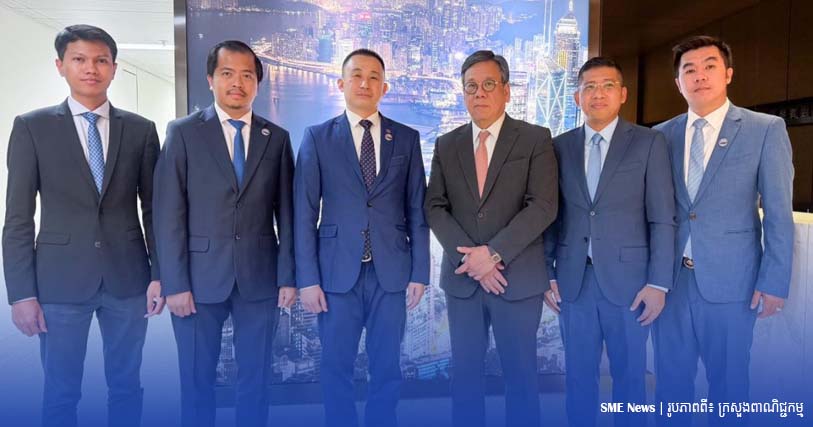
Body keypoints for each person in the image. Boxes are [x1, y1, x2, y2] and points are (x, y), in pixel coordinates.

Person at [2, 24, 162, 427]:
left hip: (127, 278)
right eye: (79, 59)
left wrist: (160, 274)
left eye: (101, 60)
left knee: (127, 386)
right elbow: (18, 218)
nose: (91, 68)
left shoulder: (141, 130)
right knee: (61, 392)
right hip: (59, 282)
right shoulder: (32, 127)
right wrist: (21, 294)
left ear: (114, 68)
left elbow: (154, 211)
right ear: (61, 66)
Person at [652, 35, 794, 426]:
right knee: (670, 385)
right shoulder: (660, 136)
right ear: (678, 83)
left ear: (728, 74)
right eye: (689, 70)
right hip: (671, 283)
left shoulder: (764, 129)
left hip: (733, 285)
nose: (700, 76)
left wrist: (775, 280)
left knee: (729, 387)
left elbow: (778, 213)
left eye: (710, 66)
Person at [152, 40, 296, 427]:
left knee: (256, 381)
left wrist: (288, 277)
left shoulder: (276, 138)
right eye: (227, 73)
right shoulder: (183, 132)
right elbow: (168, 213)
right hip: (197, 280)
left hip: (260, 278)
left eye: (247, 75)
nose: (237, 83)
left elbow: (287, 214)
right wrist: (174, 283)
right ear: (210, 79)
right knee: (196, 381)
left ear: (257, 84)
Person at [294, 48, 429, 427]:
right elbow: (304, 213)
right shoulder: (318, 137)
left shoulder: (406, 139)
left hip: (391, 272)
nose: (365, 83)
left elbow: (417, 209)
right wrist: (307, 279)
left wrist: (420, 272)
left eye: (374, 77)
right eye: (357, 75)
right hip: (335, 273)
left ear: (384, 87)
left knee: (387, 367)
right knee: (335, 367)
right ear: (341, 83)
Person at [424, 50, 558, 427]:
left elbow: (543, 206)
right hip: (464, 280)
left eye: (488, 84)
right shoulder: (446, 144)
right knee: (465, 378)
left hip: (517, 279)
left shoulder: (535, 139)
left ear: (506, 90)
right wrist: (472, 260)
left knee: (521, 378)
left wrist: (494, 254)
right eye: (471, 86)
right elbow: (434, 206)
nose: (479, 93)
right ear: (463, 93)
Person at [543, 57, 675, 427]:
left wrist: (659, 282)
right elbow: (550, 215)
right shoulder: (558, 147)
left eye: (607, 86)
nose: (597, 94)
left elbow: (662, 217)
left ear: (623, 94)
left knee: (631, 378)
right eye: (589, 87)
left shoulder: (649, 143)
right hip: (574, 282)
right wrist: (546, 272)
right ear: (577, 97)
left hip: (632, 285)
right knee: (578, 379)